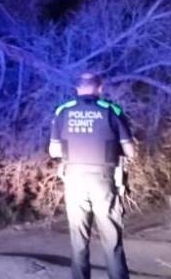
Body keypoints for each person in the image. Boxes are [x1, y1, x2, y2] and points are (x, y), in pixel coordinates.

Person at [49, 72, 135, 279]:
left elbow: (54, 151)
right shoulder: (111, 110)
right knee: (112, 240)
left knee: (78, 241)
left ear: (77, 89)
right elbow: (131, 152)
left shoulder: (63, 111)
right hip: (103, 180)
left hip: (74, 181)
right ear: (100, 88)